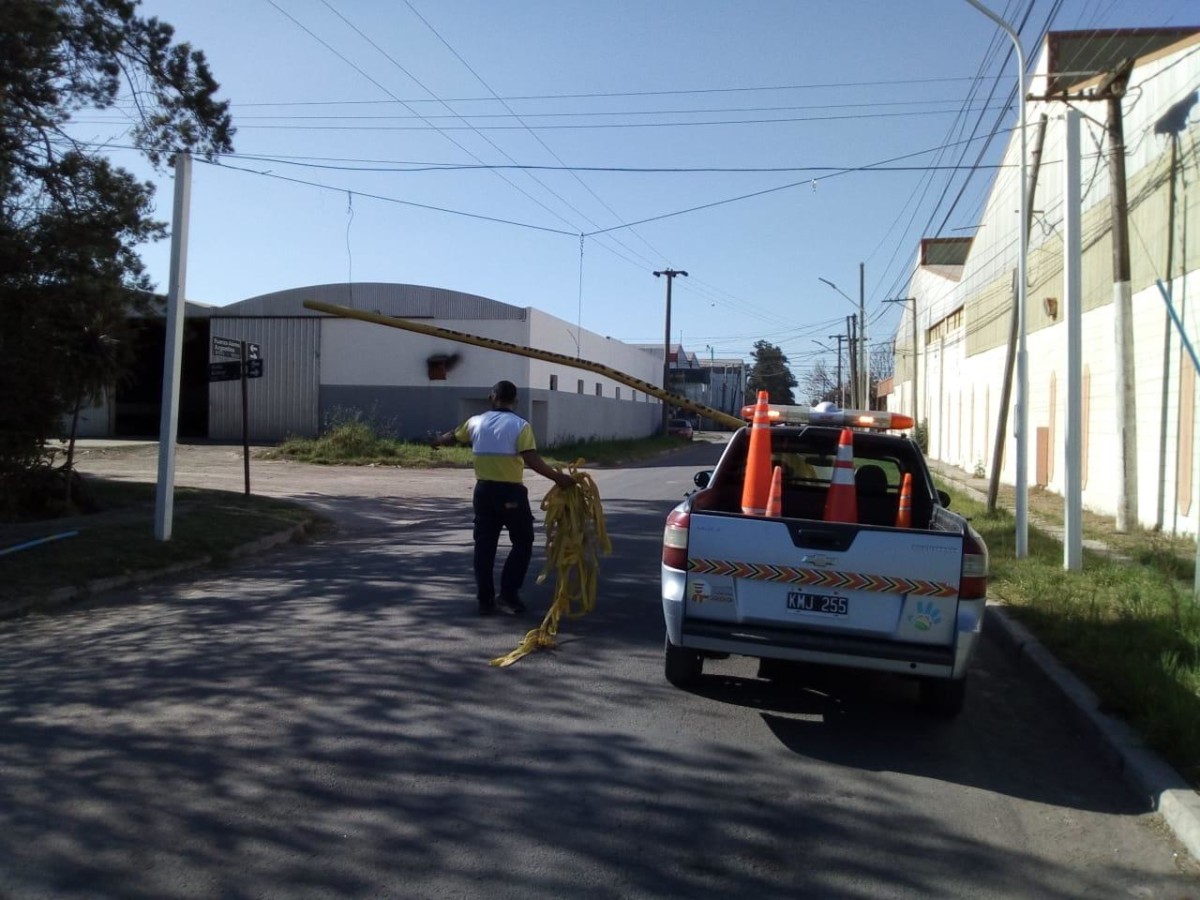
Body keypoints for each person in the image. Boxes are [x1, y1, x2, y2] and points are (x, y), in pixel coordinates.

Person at [432, 380, 575, 616]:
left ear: (492, 397)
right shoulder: (520, 425)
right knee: (523, 541)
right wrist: (558, 478)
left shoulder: (475, 421)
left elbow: (453, 437)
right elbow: (531, 460)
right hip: (510, 494)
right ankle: (508, 595)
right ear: (515, 401)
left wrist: (436, 441)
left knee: (485, 546)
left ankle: (485, 600)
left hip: (483, 492)